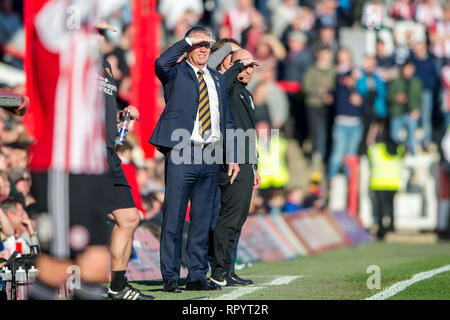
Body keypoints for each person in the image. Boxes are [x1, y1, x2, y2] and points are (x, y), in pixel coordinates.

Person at [27, 0, 127, 300]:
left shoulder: (85, 41)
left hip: (92, 164)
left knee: (96, 265)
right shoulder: (51, 23)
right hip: (62, 163)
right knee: (56, 268)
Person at [151, 26, 239, 292]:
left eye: (207, 45)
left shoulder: (218, 79)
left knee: (202, 219)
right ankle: (169, 275)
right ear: (188, 46)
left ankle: (197, 275)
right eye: (199, 44)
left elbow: (228, 120)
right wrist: (188, 40)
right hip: (182, 150)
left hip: (211, 153)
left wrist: (233, 156)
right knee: (175, 216)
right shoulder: (175, 72)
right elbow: (160, 62)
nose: (203, 49)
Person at [97, 24, 154, 300]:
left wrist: (121, 116)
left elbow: (103, 107)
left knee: (130, 218)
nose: (100, 38)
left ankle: (117, 287)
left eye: (102, 34)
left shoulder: (105, 65)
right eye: (95, 32)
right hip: (89, 152)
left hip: (110, 151)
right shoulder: (73, 63)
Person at [210, 49, 261, 287]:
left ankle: (227, 270)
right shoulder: (226, 87)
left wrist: (255, 164)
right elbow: (221, 83)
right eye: (245, 66)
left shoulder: (245, 93)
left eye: (252, 67)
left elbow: (250, 131)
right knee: (229, 218)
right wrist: (237, 65)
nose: (249, 70)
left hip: (246, 162)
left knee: (237, 220)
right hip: (232, 161)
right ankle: (219, 271)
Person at [328, 49, 364, 179]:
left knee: (350, 155)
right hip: (342, 123)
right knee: (338, 153)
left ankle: (349, 181)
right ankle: (331, 178)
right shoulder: (338, 82)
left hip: (355, 123)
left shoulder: (359, 84)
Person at [368, 127, 405, 240]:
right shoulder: (398, 150)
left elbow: (369, 147)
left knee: (379, 208)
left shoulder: (376, 149)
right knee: (390, 206)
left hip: (378, 182)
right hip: (393, 182)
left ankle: (380, 228)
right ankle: (391, 226)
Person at [303, 48, 337, 163]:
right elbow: (307, 86)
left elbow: (337, 85)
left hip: (329, 106)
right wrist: (321, 92)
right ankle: (315, 154)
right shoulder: (312, 70)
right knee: (314, 131)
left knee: (328, 131)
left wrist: (330, 95)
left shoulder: (334, 70)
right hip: (314, 105)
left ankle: (326, 156)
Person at [387, 60, 422, 155]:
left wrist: (417, 110)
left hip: (410, 114)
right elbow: (389, 96)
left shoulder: (416, 83)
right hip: (398, 112)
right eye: (407, 69)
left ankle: (411, 154)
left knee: (412, 138)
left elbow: (419, 100)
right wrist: (396, 97)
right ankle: (400, 151)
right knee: (395, 136)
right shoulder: (396, 81)